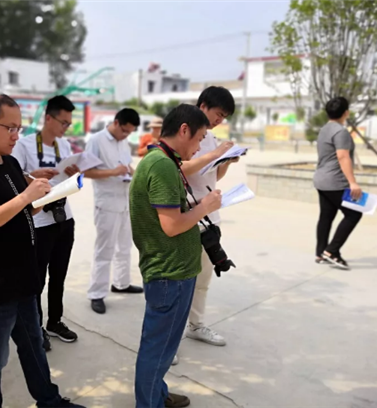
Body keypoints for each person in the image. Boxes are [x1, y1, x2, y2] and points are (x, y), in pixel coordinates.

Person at [0, 94, 84, 408]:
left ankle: (49, 400)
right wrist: (25, 197)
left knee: (34, 346)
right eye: (9, 128)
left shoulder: (9, 163)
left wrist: (45, 196)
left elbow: (24, 211)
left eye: (19, 128)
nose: (15, 136)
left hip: (24, 278)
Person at [130, 104, 221, 408]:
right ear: (184, 130)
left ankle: (157, 394)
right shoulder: (162, 165)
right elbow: (171, 226)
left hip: (175, 270)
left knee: (164, 347)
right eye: (200, 139)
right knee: (157, 349)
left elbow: (169, 215)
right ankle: (149, 402)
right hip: (169, 273)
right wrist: (205, 207)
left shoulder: (163, 160)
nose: (199, 148)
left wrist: (197, 207)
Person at [12, 95, 81, 351]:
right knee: (37, 279)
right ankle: (36, 327)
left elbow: (68, 177)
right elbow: (13, 176)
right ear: (48, 118)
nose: (66, 128)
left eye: (68, 123)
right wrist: (33, 176)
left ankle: (55, 321)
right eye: (63, 122)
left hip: (64, 217)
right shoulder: (25, 145)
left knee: (59, 276)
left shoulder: (64, 145)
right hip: (40, 221)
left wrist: (75, 175)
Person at [173, 86, 237, 352]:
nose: (219, 120)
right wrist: (215, 154)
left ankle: (196, 324)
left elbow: (212, 176)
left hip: (210, 216)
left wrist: (226, 161)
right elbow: (177, 168)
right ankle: (169, 339)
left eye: (224, 117)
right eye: (218, 114)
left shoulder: (211, 139)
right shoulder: (183, 132)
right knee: (178, 282)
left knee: (203, 278)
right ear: (203, 106)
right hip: (187, 215)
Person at [84, 108, 144, 315]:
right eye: (124, 131)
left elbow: (126, 166)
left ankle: (121, 283)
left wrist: (137, 176)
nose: (126, 135)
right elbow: (86, 171)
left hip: (125, 201)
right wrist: (113, 172)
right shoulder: (96, 140)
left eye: (130, 132)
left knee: (125, 247)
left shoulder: (123, 142)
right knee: (105, 250)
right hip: (107, 202)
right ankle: (96, 293)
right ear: (116, 123)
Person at [313, 96, 362, 270]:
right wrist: (353, 183)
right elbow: (343, 156)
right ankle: (332, 251)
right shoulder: (341, 132)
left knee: (326, 216)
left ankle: (321, 253)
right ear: (346, 113)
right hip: (335, 181)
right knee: (354, 214)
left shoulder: (324, 129)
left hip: (321, 179)